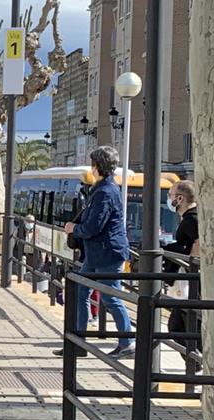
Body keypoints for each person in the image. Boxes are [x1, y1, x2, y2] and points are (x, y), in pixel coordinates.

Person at [56, 146, 135, 358]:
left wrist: (74, 229)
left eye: (93, 164)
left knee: (111, 298)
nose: (91, 169)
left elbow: (93, 227)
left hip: (108, 253)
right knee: (81, 292)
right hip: (97, 253)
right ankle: (78, 342)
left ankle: (127, 343)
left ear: (97, 166)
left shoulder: (105, 192)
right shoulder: (102, 189)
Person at [162, 179, 201, 370]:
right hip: (188, 280)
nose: (169, 199)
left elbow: (199, 244)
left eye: (170, 196)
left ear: (180, 198)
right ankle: (195, 361)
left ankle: (196, 361)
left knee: (179, 326)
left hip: (190, 280)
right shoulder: (191, 218)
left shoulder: (191, 219)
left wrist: (189, 262)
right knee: (179, 324)